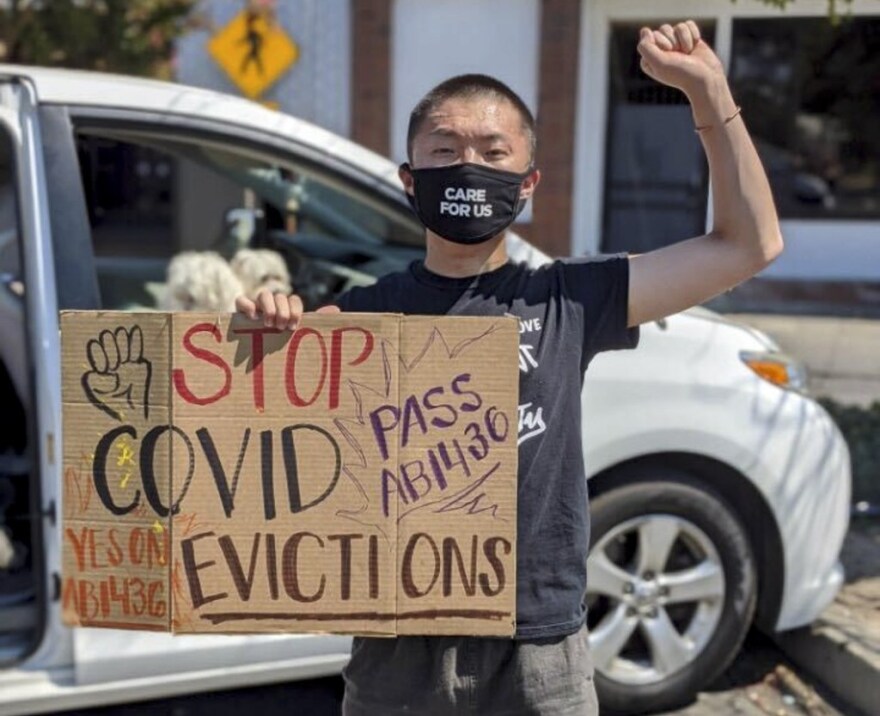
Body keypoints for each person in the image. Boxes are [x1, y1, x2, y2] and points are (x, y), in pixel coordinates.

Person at [236, 20, 782, 716]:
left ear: (527, 184)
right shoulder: (358, 319)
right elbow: (266, 438)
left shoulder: (570, 297)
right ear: (410, 181)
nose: (468, 164)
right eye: (445, 148)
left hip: (538, 652)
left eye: (493, 151)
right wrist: (264, 335)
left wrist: (709, 96)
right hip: (397, 650)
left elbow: (749, 245)